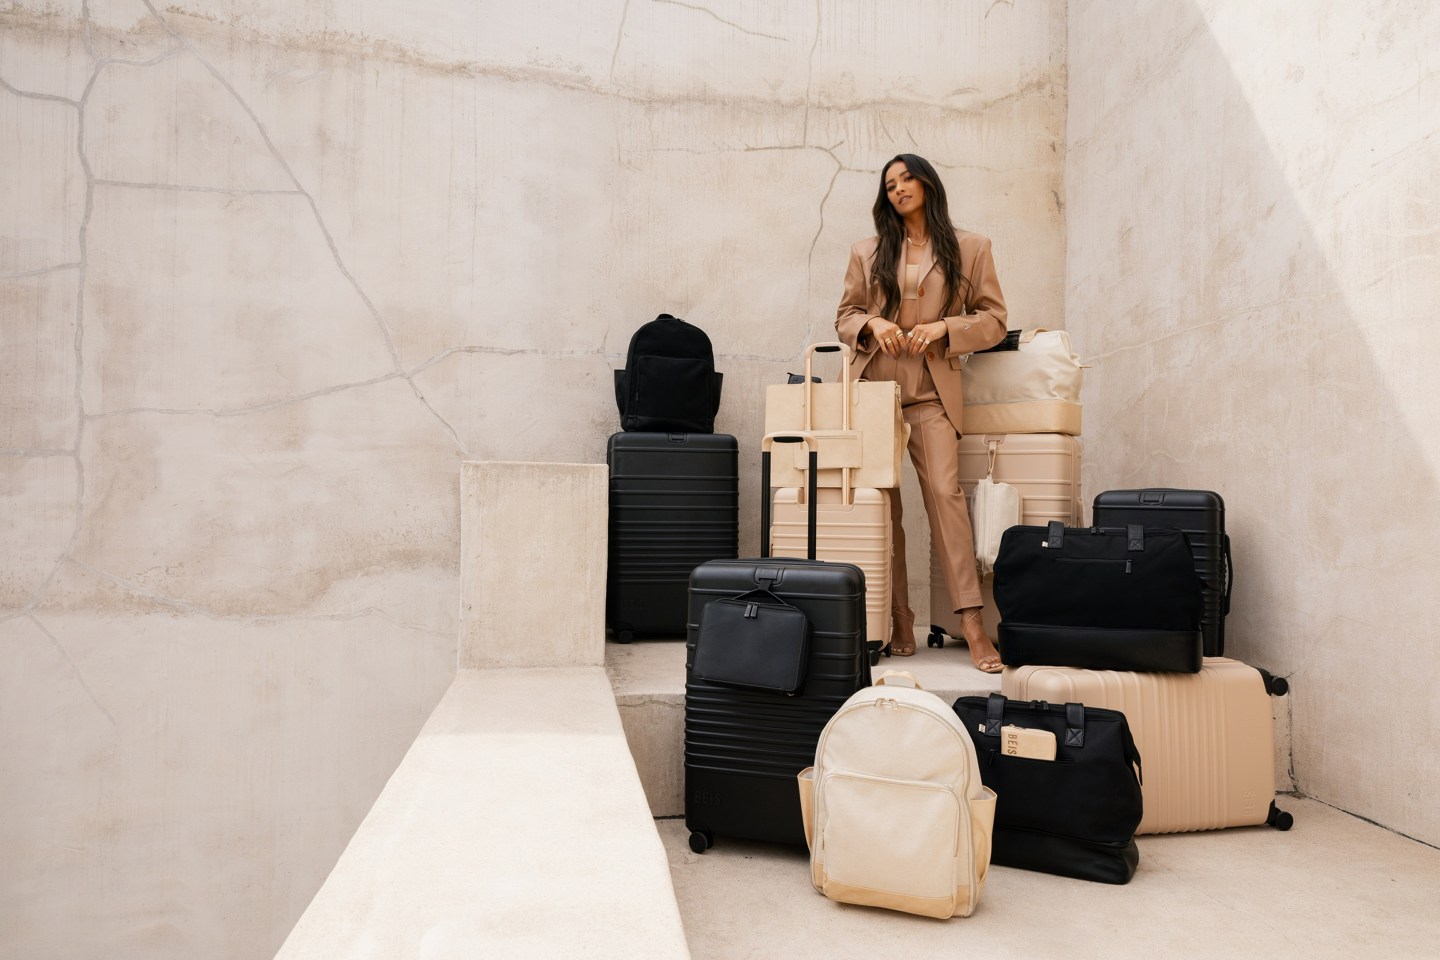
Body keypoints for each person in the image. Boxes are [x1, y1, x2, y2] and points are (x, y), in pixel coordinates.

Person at [835, 153, 1007, 671]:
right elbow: (844, 316)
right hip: (874, 391)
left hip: (932, 389)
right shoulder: (866, 252)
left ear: (927, 183)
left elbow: (996, 319)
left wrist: (946, 329)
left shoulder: (971, 248)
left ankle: (972, 623)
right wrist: (872, 325)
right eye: (889, 184)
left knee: (945, 497)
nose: (899, 188)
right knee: (882, 506)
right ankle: (899, 618)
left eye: (907, 178)